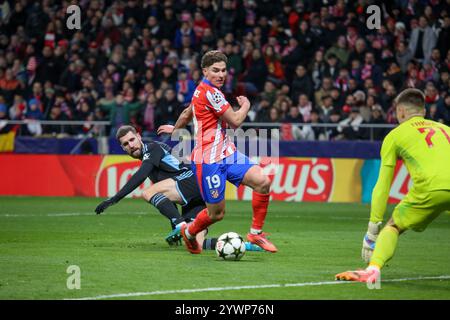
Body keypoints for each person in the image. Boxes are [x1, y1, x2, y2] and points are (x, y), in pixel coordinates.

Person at [158, 50, 277, 254]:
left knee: (262, 181)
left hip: (227, 153)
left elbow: (188, 113)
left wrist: (175, 129)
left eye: (223, 70)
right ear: (205, 71)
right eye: (215, 70)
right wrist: (247, 105)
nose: (221, 74)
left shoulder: (201, 90)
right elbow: (236, 121)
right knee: (216, 214)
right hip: (209, 161)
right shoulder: (210, 93)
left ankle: (256, 233)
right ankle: (189, 233)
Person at [335, 88, 450, 284]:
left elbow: (383, 185)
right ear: (423, 111)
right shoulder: (446, 129)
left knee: (394, 226)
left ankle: (372, 270)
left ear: (402, 112)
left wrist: (372, 229)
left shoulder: (395, 135)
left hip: (430, 188)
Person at [94, 125, 262, 251]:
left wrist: (113, 199)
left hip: (190, 181)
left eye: (132, 140)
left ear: (139, 136)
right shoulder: (151, 157)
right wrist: (173, 223)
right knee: (196, 242)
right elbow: (168, 198)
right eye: (125, 144)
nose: (130, 145)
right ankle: (243, 245)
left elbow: (140, 176)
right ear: (122, 148)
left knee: (148, 192)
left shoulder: (152, 148)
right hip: (195, 191)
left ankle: (180, 225)